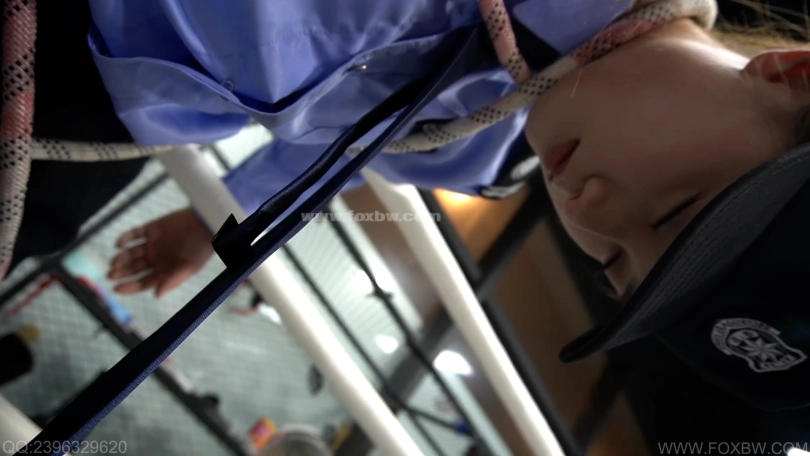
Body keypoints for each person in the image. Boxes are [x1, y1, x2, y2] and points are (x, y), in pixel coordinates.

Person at [94, 0, 810, 443]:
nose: (587, 213)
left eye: (612, 265)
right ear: (793, 77)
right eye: (676, 211)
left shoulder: (478, 156)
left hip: (106, 101)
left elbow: (336, 146)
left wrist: (218, 211)